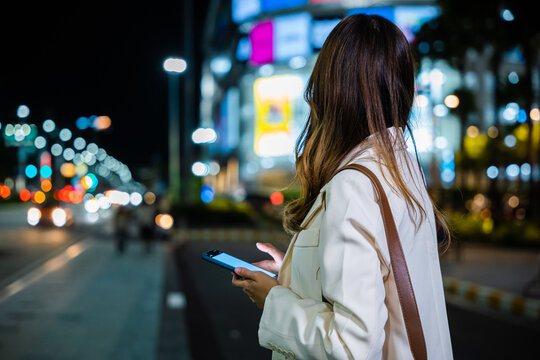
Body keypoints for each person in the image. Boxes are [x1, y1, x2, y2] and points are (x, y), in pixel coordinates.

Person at [231, 14, 453, 359]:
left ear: (331, 90)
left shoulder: (354, 184)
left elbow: (351, 346)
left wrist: (272, 299)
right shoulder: (400, 172)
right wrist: (295, 269)